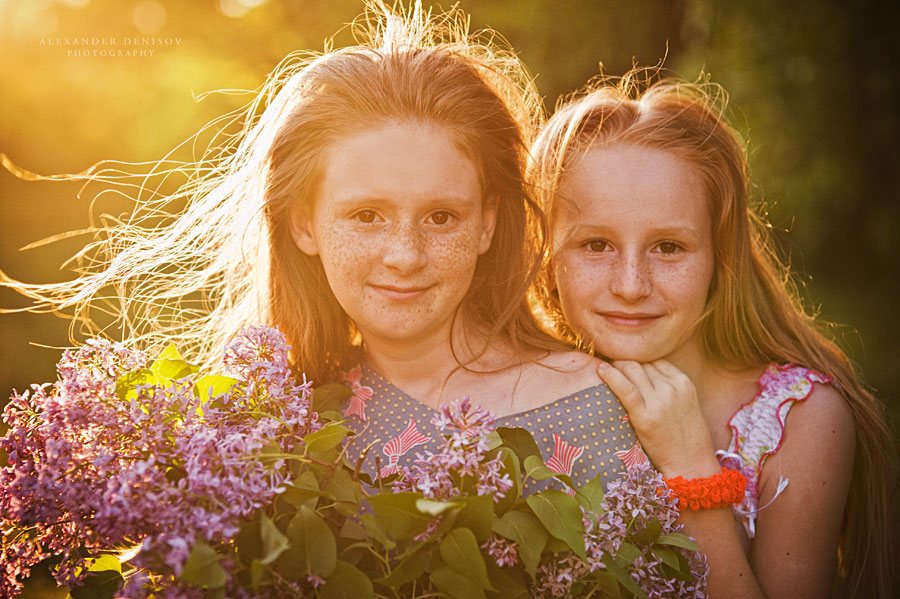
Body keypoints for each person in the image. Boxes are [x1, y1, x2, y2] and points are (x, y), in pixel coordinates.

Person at [2, 3, 637, 491]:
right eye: (366, 215)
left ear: (488, 225)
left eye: (441, 216)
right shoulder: (266, 429)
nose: (405, 255)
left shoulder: (599, 402)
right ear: (304, 223)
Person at [529, 73, 898, 597]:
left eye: (669, 248)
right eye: (595, 245)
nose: (631, 285)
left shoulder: (800, 422)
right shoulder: (526, 393)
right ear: (547, 257)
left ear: (719, 257)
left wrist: (692, 470)